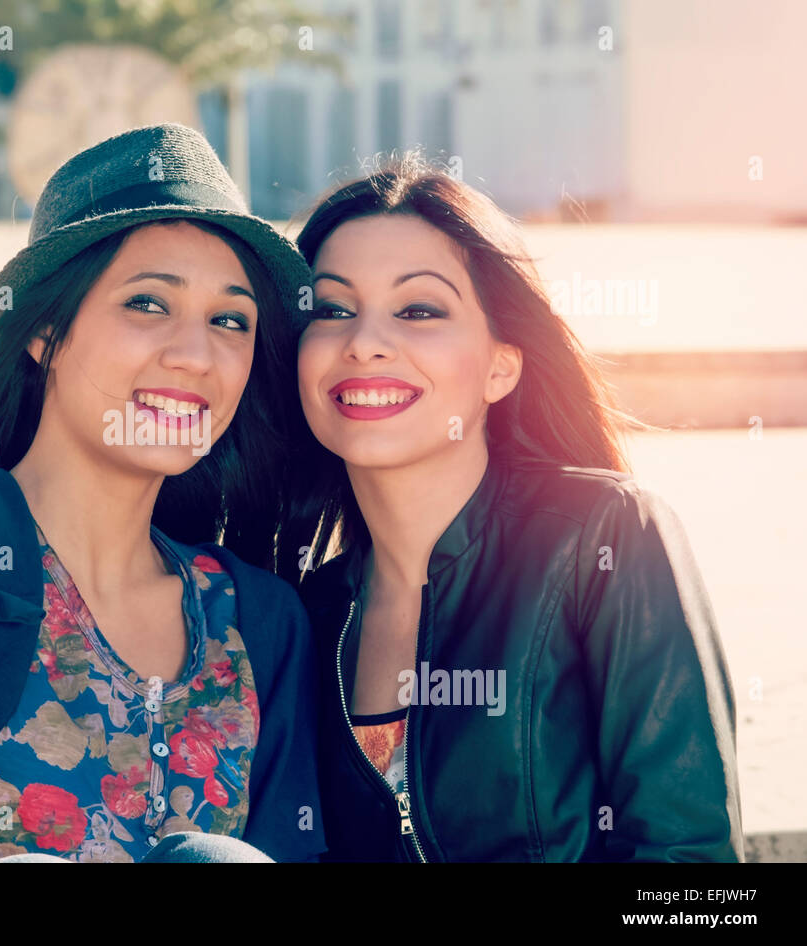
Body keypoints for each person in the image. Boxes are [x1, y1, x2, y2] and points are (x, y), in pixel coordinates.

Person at [0, 123, 326, 862]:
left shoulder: (257, 620)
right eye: (148, 303)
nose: (196, 354)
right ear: (45, 328)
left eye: (230, 320)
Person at [281, 153, 742, 862]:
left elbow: (690, 867)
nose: (365, 343)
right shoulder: (303, 615)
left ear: (501, 365)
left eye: (419, 310)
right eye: (334, 309)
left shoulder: (606, 539)